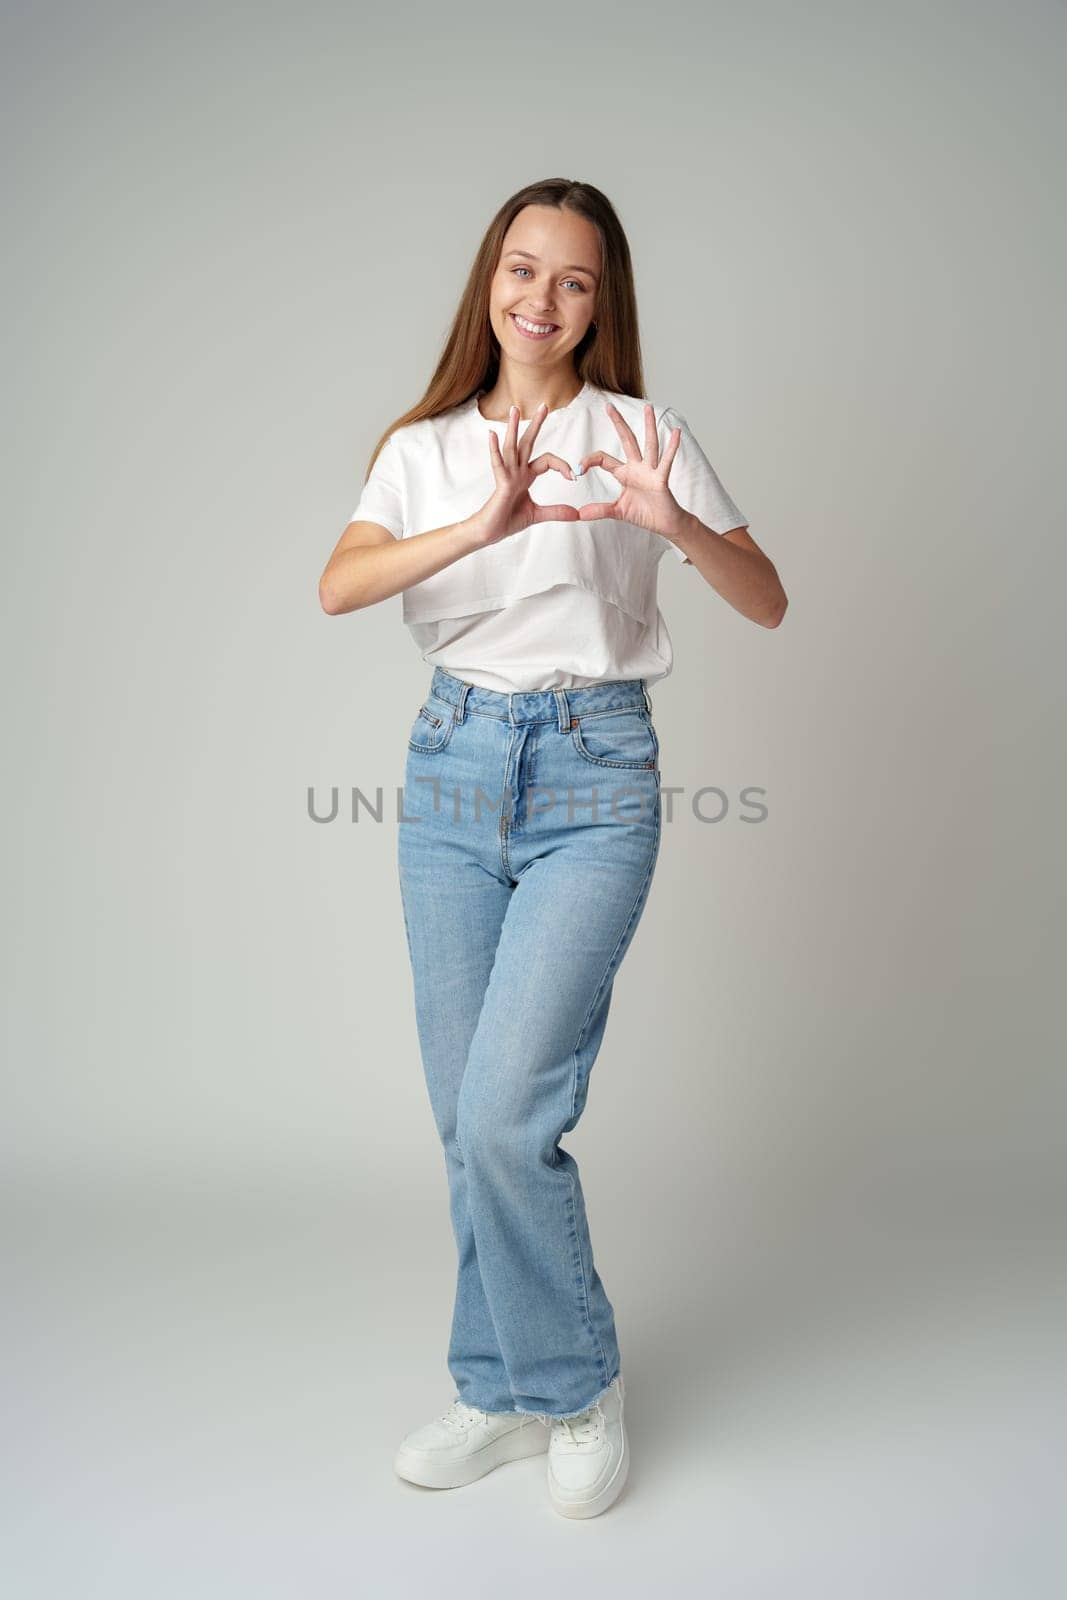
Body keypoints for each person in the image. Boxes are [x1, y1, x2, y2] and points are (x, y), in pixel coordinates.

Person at [319, 178, 787, 1519]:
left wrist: (671, 524)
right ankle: (498, 1387)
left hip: (597, 775)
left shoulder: (645, 434)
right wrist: (481, 525)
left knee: (508, 1111)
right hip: (455, 772)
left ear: (602, 304)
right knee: (466, 1116)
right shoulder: (422, 448)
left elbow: (766, 599)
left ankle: (574, 1387)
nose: (540, 296)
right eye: (521, 269)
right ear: (489, 281)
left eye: (572, 279)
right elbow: (341, 582)